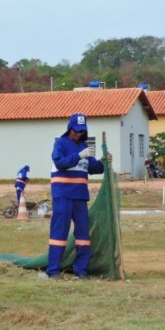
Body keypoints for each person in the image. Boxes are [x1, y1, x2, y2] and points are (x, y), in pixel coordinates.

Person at [46, 113, 111, 279]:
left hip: (80, 197)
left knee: (83, 236)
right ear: (69, 128)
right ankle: (53, 270)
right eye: (76, 130)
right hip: (63, 196)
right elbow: (60, 163)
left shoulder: (84, 146)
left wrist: (104, 161)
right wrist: (79, 156)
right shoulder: (60, 144)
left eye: (82, 131)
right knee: (59, 234)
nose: (79, 134)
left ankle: (81, 270)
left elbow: (95, 168)